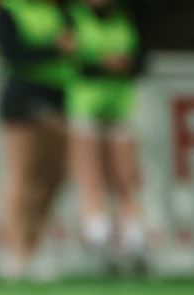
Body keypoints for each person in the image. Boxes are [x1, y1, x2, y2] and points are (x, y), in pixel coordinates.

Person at [0, 0, 76, 281]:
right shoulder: (11, 11)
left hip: (59, 95)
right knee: (23, 172)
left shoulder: (60, 12)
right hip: (23, 95)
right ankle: (14, 251)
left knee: (54, 175)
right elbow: (10, 52)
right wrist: (55, 49)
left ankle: (33, 246)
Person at [66, 0, 149, 275]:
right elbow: (67, 61)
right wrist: (105, 64)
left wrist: (125, 65)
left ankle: (133, 243)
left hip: (120, 105)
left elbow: (141, 61)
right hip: (85, 105)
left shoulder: (125, 19)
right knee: (91, 175)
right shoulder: (73, 18)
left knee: (125, 176)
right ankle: (98, 241)